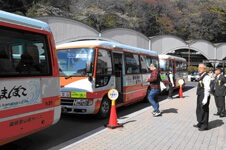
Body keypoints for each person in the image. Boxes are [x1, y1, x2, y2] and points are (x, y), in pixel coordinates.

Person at [193, 63, 211, 131]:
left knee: (204, 110)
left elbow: (207, 88)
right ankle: (200, 122)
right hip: (200, 95)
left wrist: (206, 97)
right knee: (199, 109)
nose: (199, 69)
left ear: (205, 69)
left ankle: (204, 125)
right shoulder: (201, 76)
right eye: (198, 67)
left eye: (201, 67)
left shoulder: (206, 77)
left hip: (204, 95)